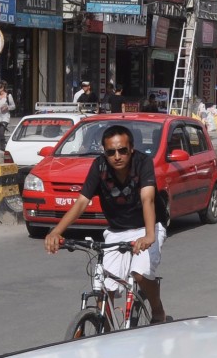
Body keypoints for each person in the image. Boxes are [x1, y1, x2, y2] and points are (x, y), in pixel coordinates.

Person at [44, 123, 168, 323]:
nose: (117, 156)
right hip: (117, 230)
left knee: (140, 274)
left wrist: (149, 235)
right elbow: (82, 202)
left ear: (131, 149)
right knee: (106, 285)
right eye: (111, 152)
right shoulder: (99, 166)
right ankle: (105, 329)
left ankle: (157, 309)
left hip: (147, 226)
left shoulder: (143, 163)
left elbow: (148, 199)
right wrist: (56, 232)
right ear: (105, 152)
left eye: (122, 151)